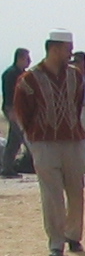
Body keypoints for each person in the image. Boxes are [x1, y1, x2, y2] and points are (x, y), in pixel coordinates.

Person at [18, 32, 85, 256]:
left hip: (72, 141)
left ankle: (74, 235)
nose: (70, 53)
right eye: (67, 49)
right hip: (44, 143)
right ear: (55, 49)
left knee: (76, 190)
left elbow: (77, 105)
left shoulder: (75, 76)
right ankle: (56, 241)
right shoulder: (30, 79)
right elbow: (22, 112)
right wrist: (34, 137)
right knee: (52, 194)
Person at [1, 46, 29, 177]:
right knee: (16, 138)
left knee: (15, 138)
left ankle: (8, 167)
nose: (29, 61)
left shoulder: (22, 73)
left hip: (20, 109)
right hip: (13, 109)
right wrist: (11, 110)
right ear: (20, 58)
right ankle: (7, 167)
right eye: (27, 58)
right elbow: (9, 94)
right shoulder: (11, 74)